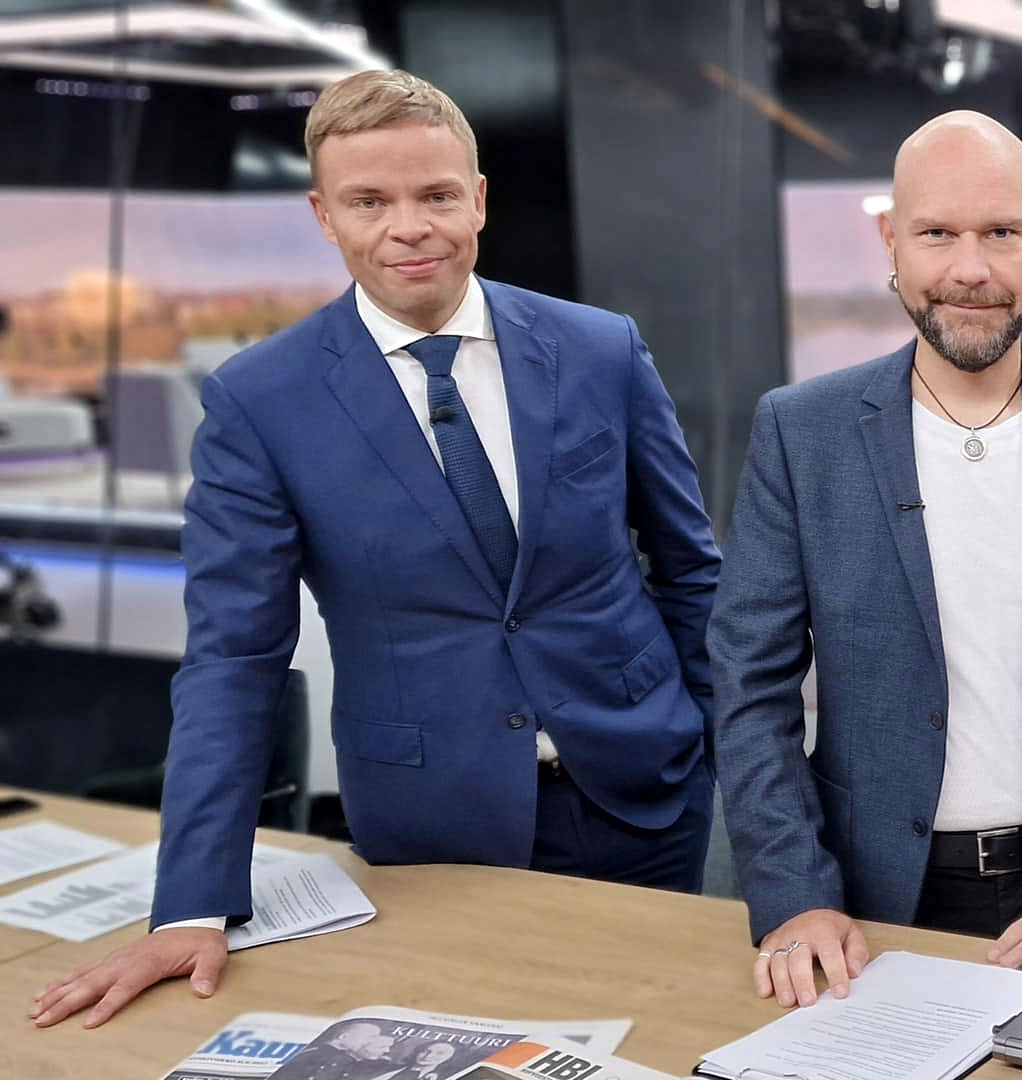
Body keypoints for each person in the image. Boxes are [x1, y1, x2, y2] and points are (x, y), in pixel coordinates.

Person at [30, 69, 721, 1029]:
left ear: (478, 200)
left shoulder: (601, 349)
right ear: (325, 216)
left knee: (663, 1039)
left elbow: (691, 571)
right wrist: (191, 904)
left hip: (644, 794)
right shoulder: (260, 401)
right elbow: (233, 657)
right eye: (369, 202)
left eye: (437, 194)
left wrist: (717, 749)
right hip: (431, 829)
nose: (410, 228)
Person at [709, 110, 1022, 1009]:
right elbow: (749, 686)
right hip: (868, 908)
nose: (971, 269)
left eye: (1001, 233)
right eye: (937, 233)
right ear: (891, 244)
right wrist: (795, 894)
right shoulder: (802, 432)